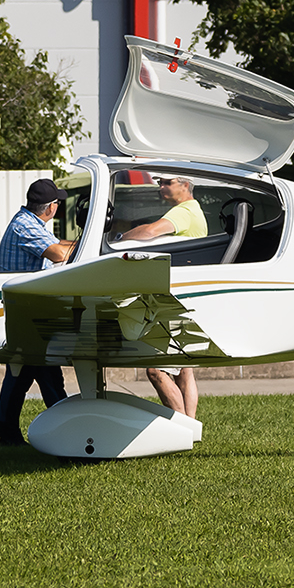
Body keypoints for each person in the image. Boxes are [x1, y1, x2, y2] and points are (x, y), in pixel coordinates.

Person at [0, 178, 77, 445]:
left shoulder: (27, 222)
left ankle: (9, 436)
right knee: (47, 374)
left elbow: (56, 243)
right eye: (57, 204)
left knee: (20, 375)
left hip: (25, 313)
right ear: (50, 208)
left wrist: (76, 242)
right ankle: (68, 431)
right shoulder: (26, 227)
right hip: (31, 315)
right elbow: (58, 254)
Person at [116, 175, 206, 419]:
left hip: (173, 303)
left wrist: (119, 239)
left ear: (185, 185)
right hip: (184, 300)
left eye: (166, 182)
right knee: (184, 370)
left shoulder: (184, 211)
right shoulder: (194, 210)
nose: (160, 186)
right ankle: (190, 429)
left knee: (155, 370)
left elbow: (149, 233)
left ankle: (180, 426)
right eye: (160, 182)